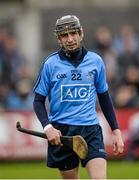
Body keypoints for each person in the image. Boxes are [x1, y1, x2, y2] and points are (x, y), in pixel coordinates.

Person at [33, 15, 124, 179]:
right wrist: (48, 128)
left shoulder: (96, 61)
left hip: (90, 130)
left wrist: (116, 131)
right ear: (59, 39)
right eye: (64, 35)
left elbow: (104, 98)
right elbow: (38, 101)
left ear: (81, 33)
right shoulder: (50, 64)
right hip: (62, 133)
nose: (70, 39)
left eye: (73, 33)